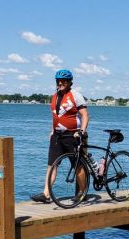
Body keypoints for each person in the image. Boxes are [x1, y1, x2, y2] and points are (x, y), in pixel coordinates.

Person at [31, 69, 89, 204]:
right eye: (58, 81)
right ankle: (46, 194)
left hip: (72, 135)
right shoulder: (54, 96)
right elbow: (57, 116)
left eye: (63, 81)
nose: (60, 83)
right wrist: (52, 130)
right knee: (51, 165)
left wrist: (81, 131)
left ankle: (82, 192)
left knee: (78, 165)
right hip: (57, 136)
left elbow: (84, 115)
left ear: (69, 82)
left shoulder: (75, 95)